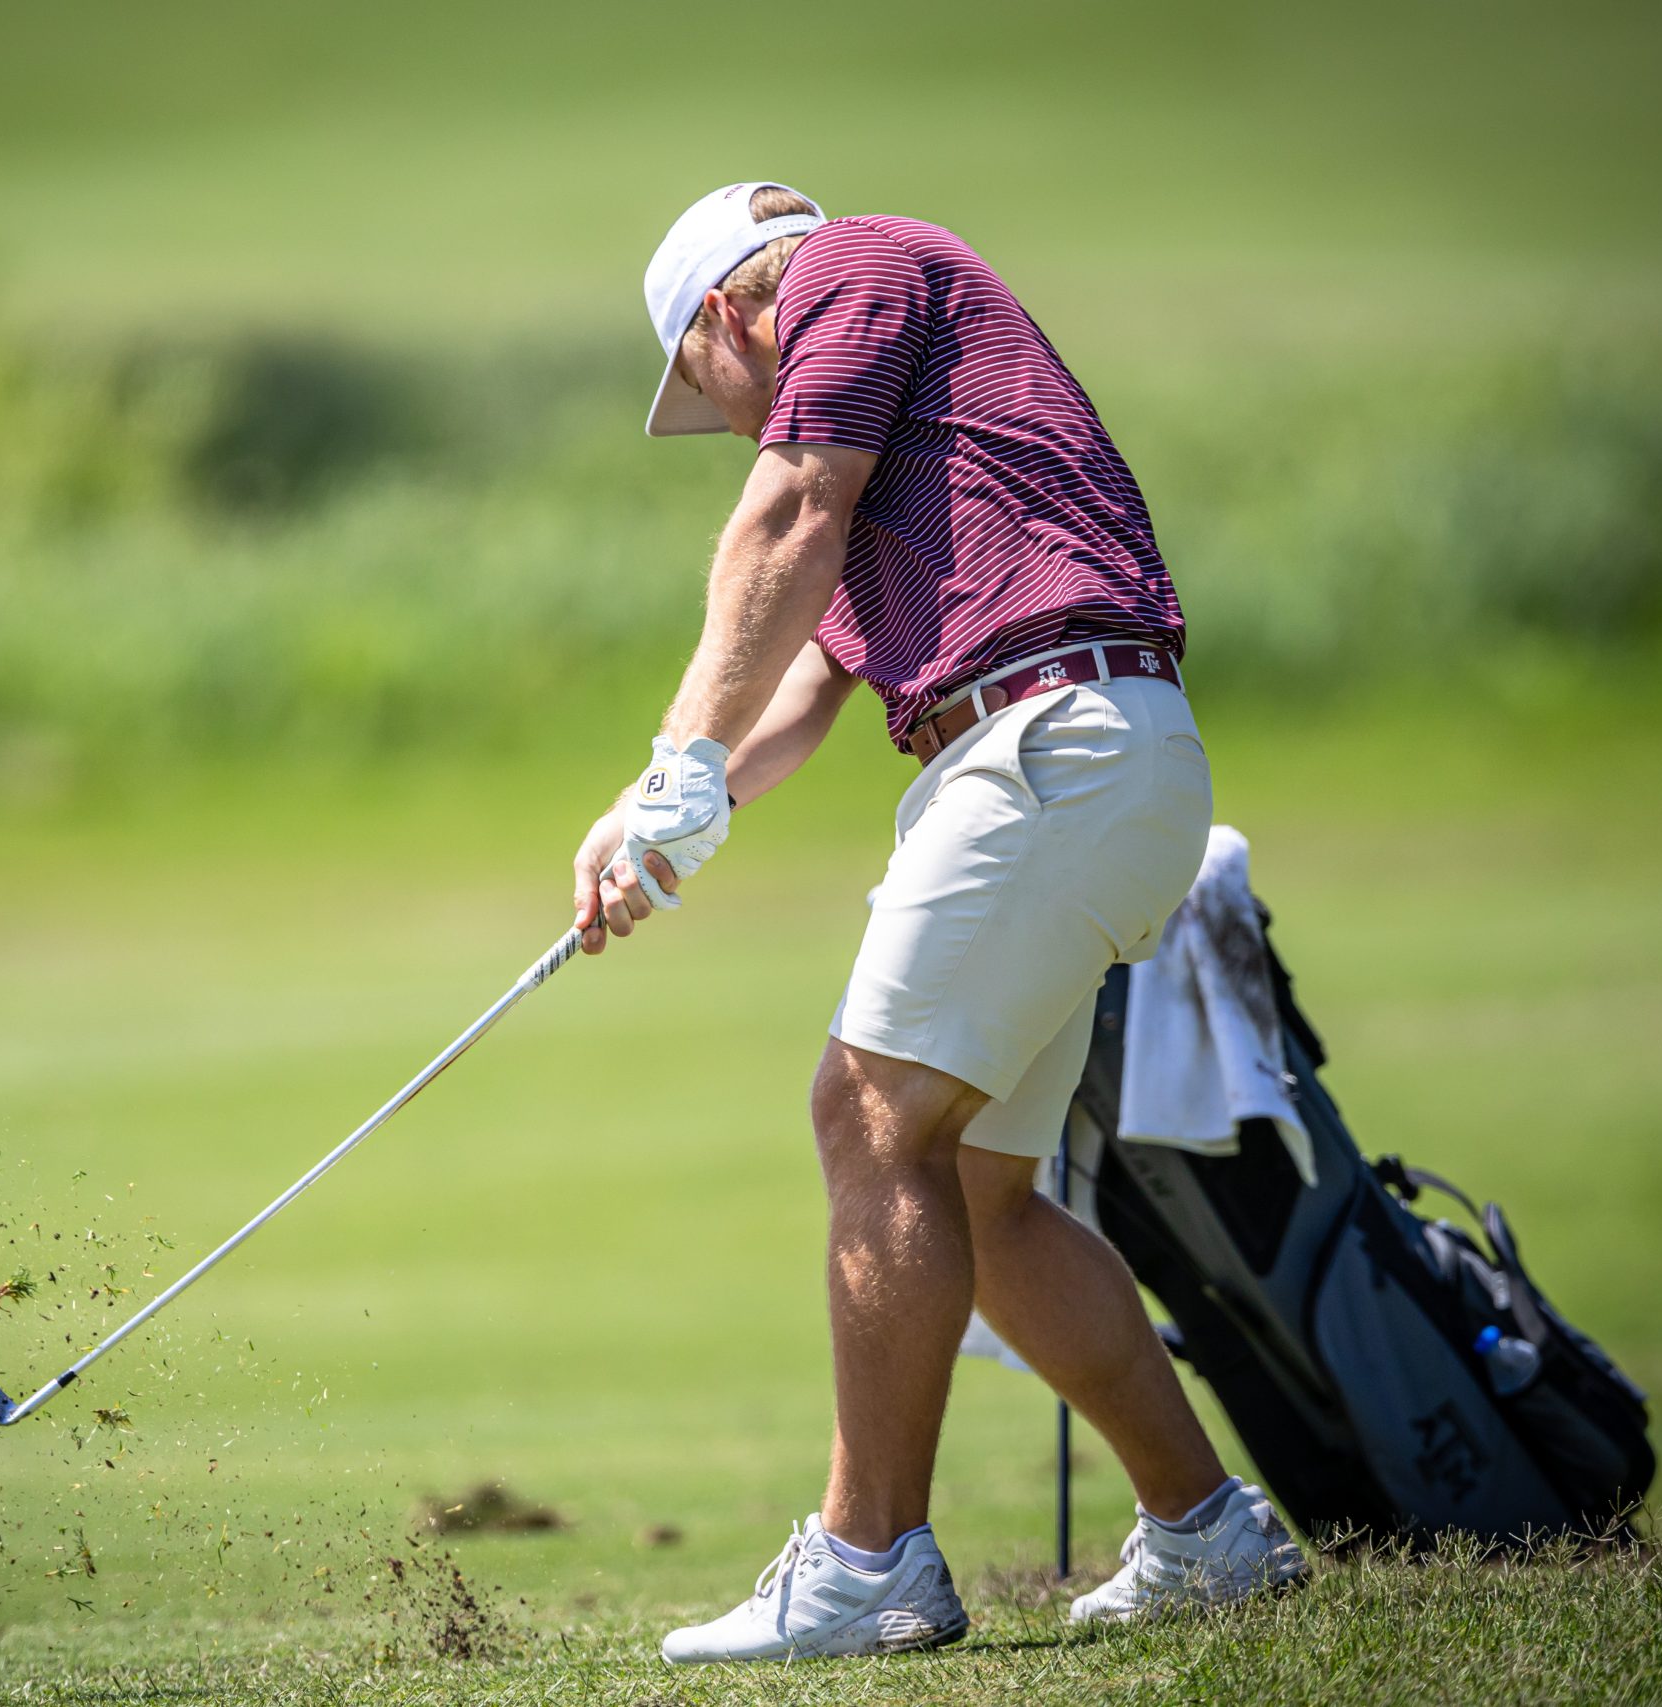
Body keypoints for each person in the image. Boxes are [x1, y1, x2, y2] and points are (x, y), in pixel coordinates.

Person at [571, 183, 1308, 1664]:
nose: (728, 427)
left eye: (709, 396)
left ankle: (865, 1563)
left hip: (1053, 743)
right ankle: (1206, 1531)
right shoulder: (915, 431)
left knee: (865, 1118)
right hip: (1084, 755)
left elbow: (788, 506)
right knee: (979, 1193)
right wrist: (660, 823)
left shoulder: (857, 265)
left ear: (729, 316)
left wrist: (676, 761)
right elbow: (800, 696)